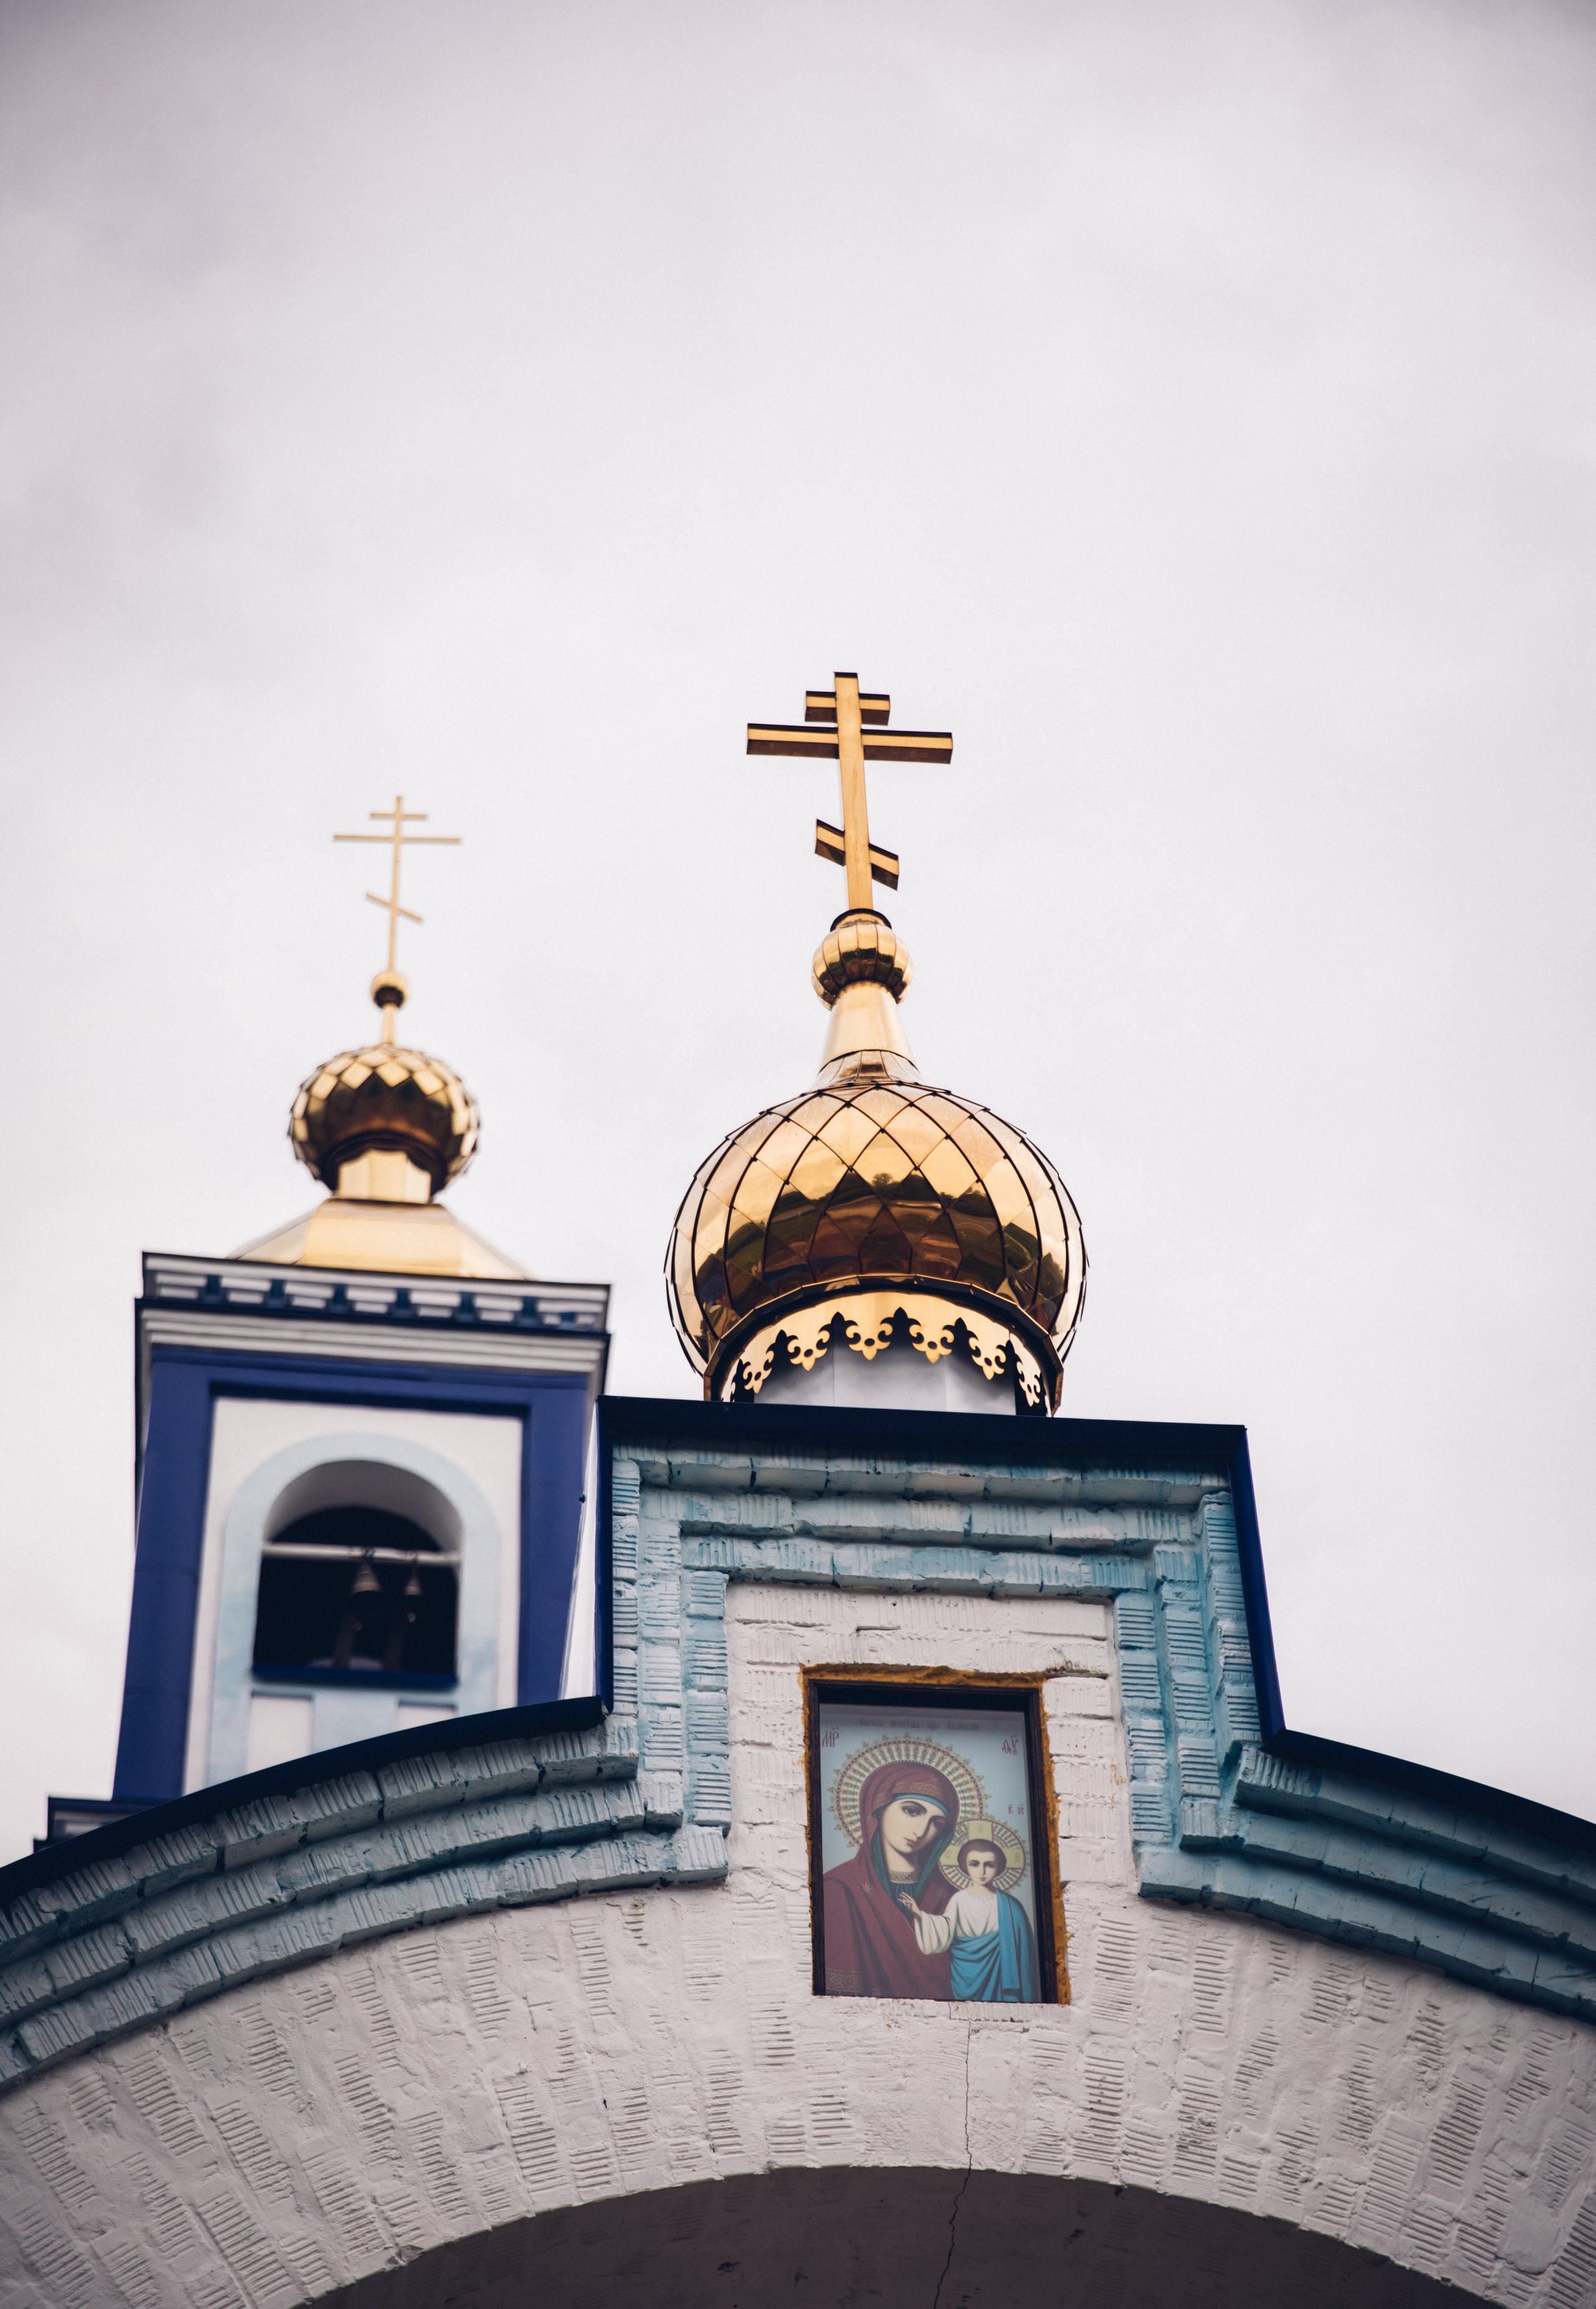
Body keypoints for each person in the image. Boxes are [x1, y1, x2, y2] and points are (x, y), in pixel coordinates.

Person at [821, 1759, 959, 1999]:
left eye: (936, 1823)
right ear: (879, 1809)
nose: (921, 1831)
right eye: (911, 1811)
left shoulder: (951, 1897)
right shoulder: (839, 1888)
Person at [902, 1835, 1039, 2004]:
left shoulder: (1012, 1908)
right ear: (965, 1867)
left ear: (999, 1868)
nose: (981, 1872)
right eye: (974, 1864)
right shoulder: (959, 1900)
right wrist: (919, 1914)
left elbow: (1025, 1957)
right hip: (965, 1975)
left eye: (989, 1865)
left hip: (1001, 1980)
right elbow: (945, 1930)